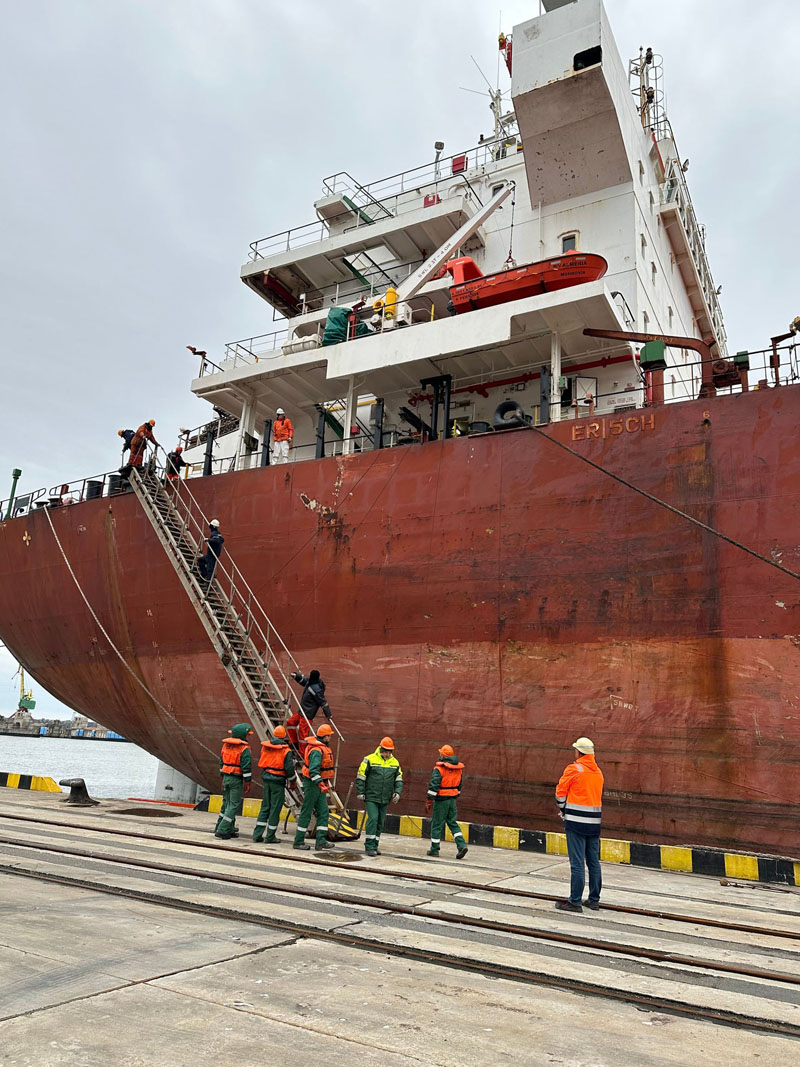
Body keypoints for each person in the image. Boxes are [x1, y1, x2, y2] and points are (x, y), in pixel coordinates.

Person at [554, 736, 604, 913]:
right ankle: (594, 900)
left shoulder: (574, 769)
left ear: (578, 752)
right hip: (594, 823)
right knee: (593, 862)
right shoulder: (598, 772)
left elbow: (560, 793)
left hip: (576, 823)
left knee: (577, 863)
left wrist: (564, 810)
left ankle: (575, 901)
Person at [356, 736, 403, 857]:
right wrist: (360, 792)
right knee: (373, 819)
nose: (387, 754)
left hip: (385, 797)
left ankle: (375, 844)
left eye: (389, 752)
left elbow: (398, 779)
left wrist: (397, 792)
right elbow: (361, 776)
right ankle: (369, 846)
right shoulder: (369, 759)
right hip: (371, 796)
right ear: (381, 749)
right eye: (385, 751)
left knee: (380, 822)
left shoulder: (395, 763)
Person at [293, 722, 335, 851]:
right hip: (313, 784)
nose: (330, 738)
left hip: (319, 784)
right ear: (325, 737)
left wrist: (323, 784)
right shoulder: (317, 751)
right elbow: (313, 771)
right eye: (329, 736)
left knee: (323, 812)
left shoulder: (320, 748)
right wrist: (320, 784)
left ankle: (321, 841)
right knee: (306, 811)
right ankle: (298, 841)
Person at [253, 725, 296, 844]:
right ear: (284, 737)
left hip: (267, 780)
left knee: (265, 807)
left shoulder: (266, 747)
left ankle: (257, 834)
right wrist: (293, 781)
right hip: (278, 782)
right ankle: (270, 836)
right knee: (275, 809)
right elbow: (289, 768)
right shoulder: (286, 750)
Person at [425, 744, 468, 859]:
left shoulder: (439, 769)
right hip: (452, 800)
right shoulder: (458, 769)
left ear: (443, 755)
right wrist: (454, 795)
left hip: (441, 801)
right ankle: (461, 845)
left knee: (437, 825)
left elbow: (434, 786)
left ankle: (434, 849)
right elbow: (459, 786)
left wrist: (429, 800)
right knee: (452, 823)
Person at [215, 722, 253, 839]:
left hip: (226, 777)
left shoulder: (226, 746)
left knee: (226, 803)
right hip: (236, 778)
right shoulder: (244, 749)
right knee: (233, 805)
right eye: (247, 735)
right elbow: (246, 767)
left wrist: (222, 779)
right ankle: (222, 829)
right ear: (243, 735)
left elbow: (221, 763)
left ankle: (225, 827)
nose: (248, 737)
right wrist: (247, 782)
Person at [198, 519, 224, 586]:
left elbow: (217, 540)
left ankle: (207, 586)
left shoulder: (215, 534)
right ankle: (204, 575)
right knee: (200, 560)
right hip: (210, 555)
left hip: (212, 556)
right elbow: (221, 540)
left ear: (213, 526)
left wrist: (208, 539)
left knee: (210, 570)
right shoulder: (218, 534)